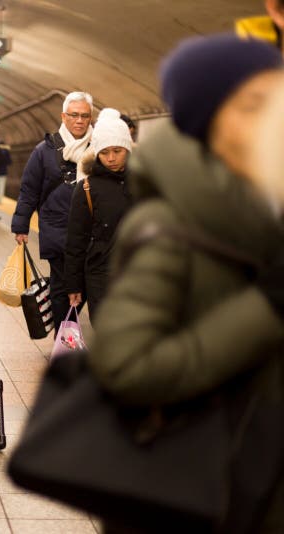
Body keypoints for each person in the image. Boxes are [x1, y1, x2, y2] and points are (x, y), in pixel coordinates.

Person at [88, 35, 284, 532]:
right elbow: (127, 368)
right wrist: (265, 308)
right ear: (210, 119)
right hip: (204, 489)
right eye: (256, 103)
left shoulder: (271, 211)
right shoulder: (167, 228)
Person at [11, 91, 94, 334]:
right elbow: (29, 189)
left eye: (85, 116)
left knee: (85, 286)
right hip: (57, 229)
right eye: (74, 115)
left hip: (90, 233)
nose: (79, 121)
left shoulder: (99, 149)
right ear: (63, 116)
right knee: (61, 287)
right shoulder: (44, 151)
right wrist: (20, 225)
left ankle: (69, 330)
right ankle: (63, 337)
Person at [63, 108, 133, 322]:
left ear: (128, 149)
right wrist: (73, 284)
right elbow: (76, 239)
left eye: (117, 151)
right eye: (104, 152)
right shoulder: (86, 188)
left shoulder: (145, 182)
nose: (111, 158)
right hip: (101, 272)